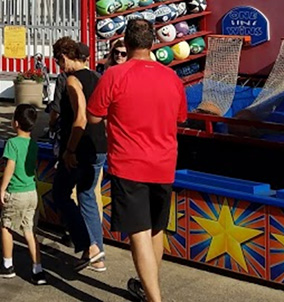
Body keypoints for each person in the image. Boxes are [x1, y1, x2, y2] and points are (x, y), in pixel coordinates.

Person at [87, 18, 188, 302]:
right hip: (165, 163)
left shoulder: (115, 75)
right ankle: (147, 288)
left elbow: (94, 115)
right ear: (152, 43)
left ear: (126, 42)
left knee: (139, 232)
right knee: (156, 229)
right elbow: (181, 117)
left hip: (129, 163)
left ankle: (154, 299)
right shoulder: (171, 77)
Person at [52, 38, 107, 272]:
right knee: (87, 196)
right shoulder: (97, 77)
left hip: (79, 149)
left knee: (61, 194)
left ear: (65, 56)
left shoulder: (73, 80)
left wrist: (69, 150)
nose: (58, 65)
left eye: (57, 60)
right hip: (99, 147)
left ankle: (88, 244)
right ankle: (97, 254)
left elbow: (80, 118)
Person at [0, 104, 44, 285]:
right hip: (31, 192)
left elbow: (10, 167)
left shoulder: (12, 143)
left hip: (16, 192)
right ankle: (38, 269)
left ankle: (7, 265)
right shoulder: (33, 144)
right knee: (29, 231)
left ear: (16, 123)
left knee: (6, 226)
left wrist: (3, 188)